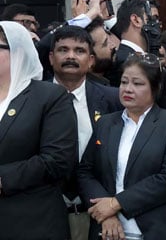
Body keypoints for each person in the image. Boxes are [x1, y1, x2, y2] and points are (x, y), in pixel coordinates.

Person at [78, 53, 166, 239]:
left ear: (156, 87)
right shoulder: (106, 123)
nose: (127, 89)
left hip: (158, 228)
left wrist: (116, 203)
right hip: (108, 230)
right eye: (124, 82)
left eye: (138, 84)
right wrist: (106, 213)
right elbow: (85, 171)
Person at [0, 21, 78, 239]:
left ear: (19, 53)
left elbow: (57, 159)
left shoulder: (50, 96)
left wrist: (3, 179)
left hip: (32, 222)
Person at [49, 25, 121, 240]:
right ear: (51, 57)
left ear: (91, 60)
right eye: (63, 49)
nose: (71, 56)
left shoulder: (113, 99)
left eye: (79, 51)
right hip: (45, 213)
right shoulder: (30, 98)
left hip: (101, 213)